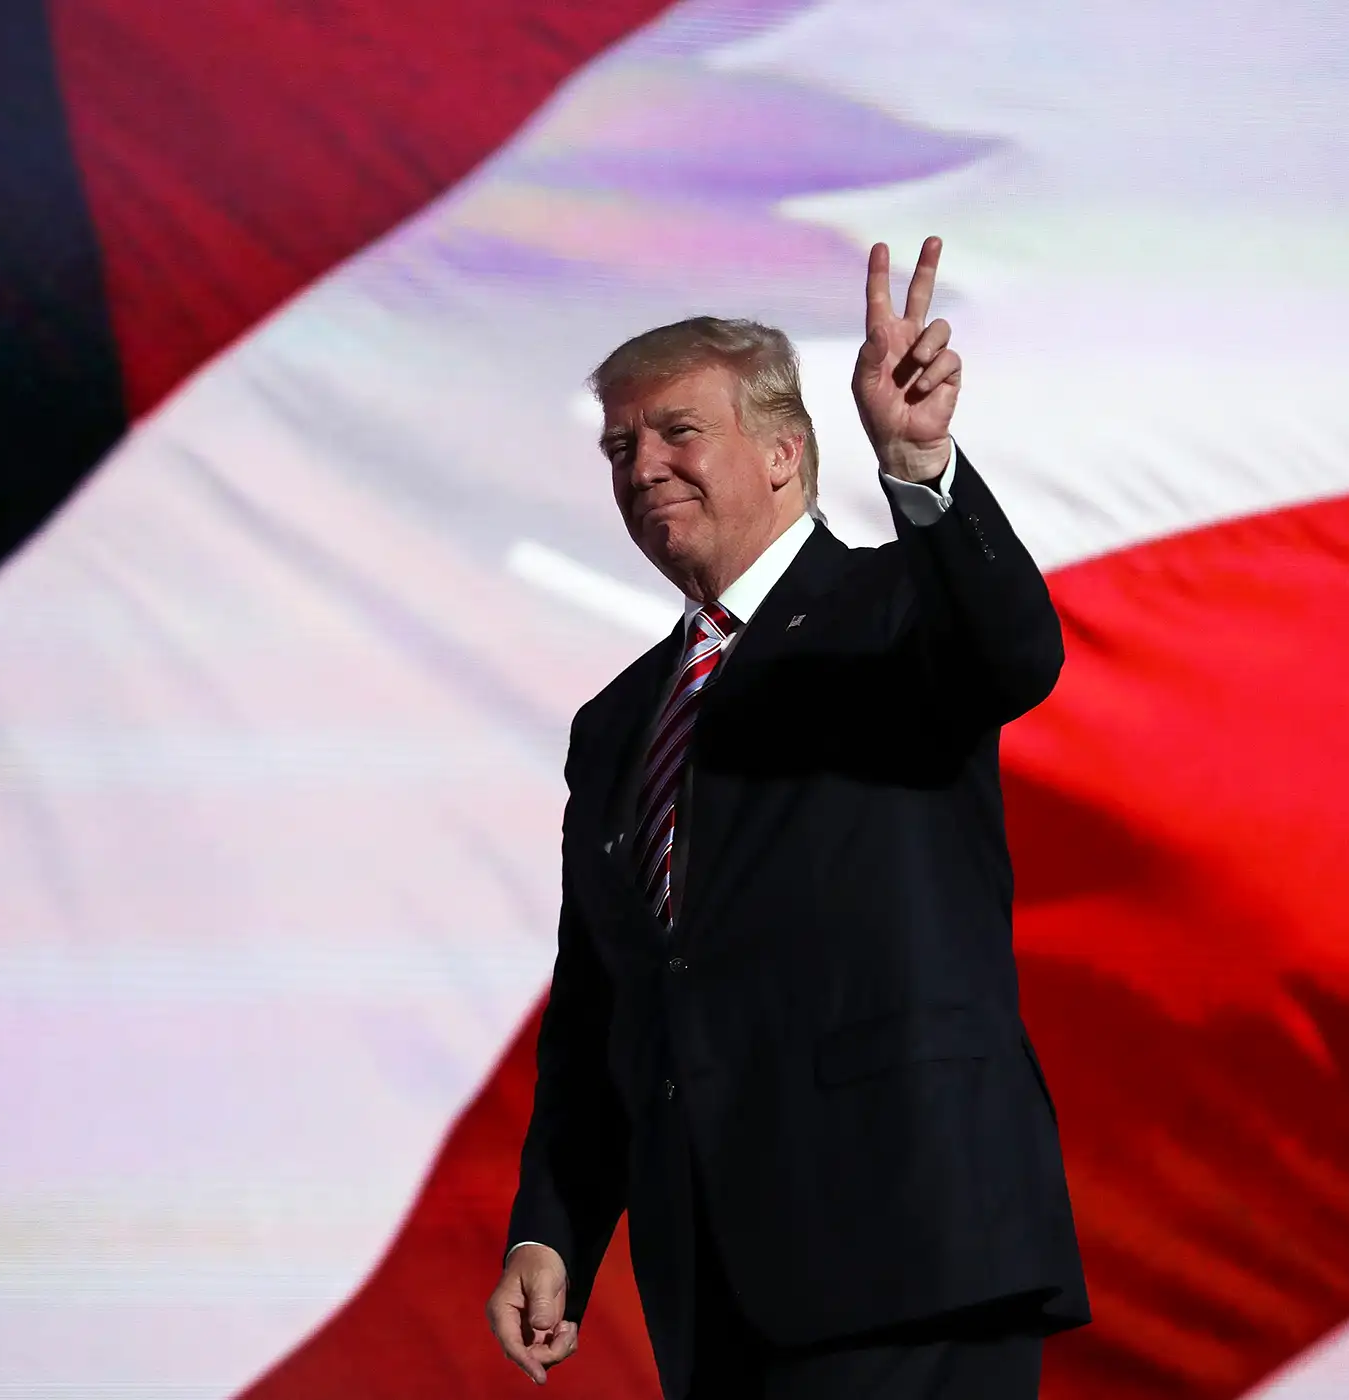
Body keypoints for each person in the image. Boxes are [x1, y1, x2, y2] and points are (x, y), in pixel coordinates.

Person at [485, 238, 1088, 1399]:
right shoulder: (617, 723)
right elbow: (607, 1000)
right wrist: (551, 1227)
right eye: (621, 445)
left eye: (675, 431)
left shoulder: (895, 607)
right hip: (712, 1272)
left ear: (782, 450)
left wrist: (922, 466)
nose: (642, 463)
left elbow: (1015, 651)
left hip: (908, 1239)